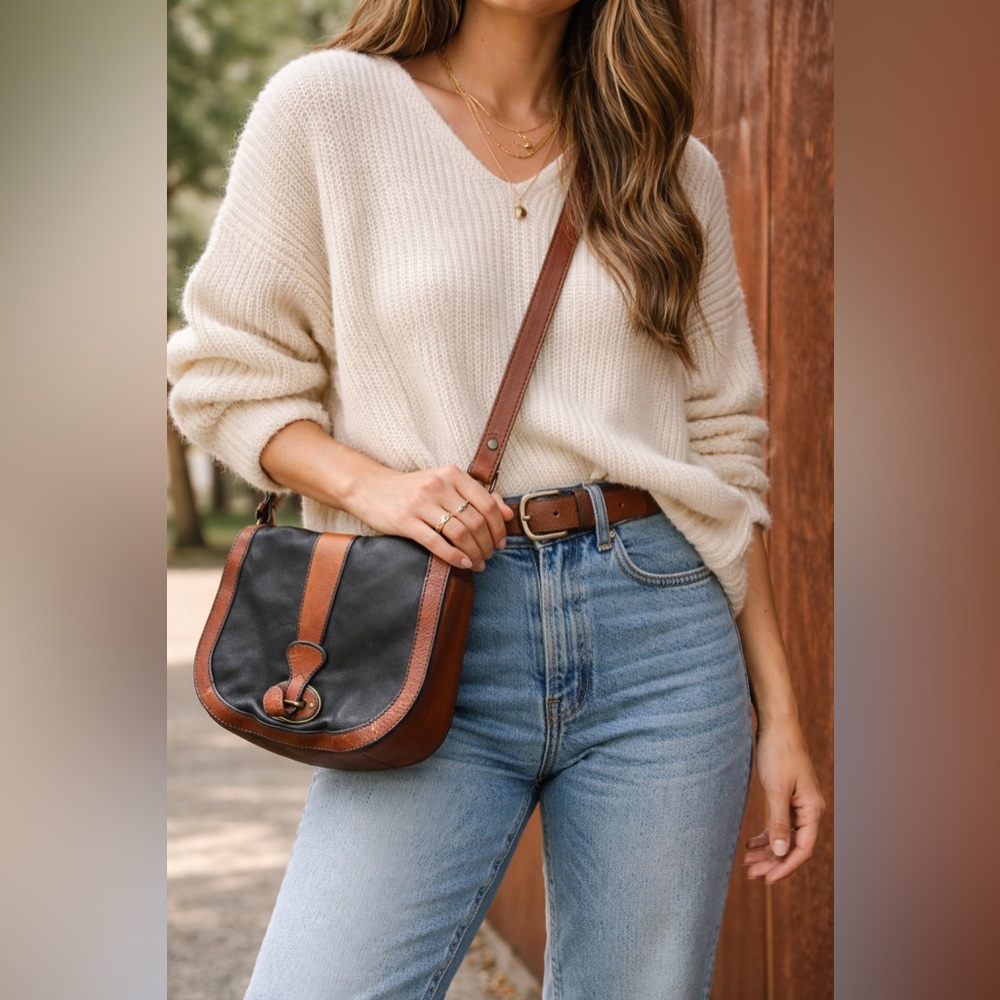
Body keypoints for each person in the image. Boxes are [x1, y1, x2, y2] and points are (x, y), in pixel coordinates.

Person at [167, 1, 825, 996]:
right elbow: (224, 381)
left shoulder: (669, 165)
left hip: (660, 635)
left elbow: (727, 456)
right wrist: (377, 488)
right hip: (432, 627)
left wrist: (777, 712)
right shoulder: (328, 108)